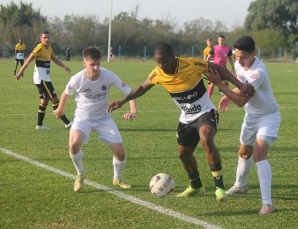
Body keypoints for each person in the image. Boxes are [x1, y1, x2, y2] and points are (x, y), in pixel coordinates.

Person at [106, 42, 255, 202]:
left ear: (173, 57)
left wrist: (240, 85)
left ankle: (219, 188)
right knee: (184, 155)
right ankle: (196, 186)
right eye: (158, 62)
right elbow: (142, 87)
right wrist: (122, 101)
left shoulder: (190, 64)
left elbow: (219, 69)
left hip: (206, 112)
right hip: (186, 118)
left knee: (206, 139)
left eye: (164, 61)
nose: (161, 65)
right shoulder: (158, 73)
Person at [204, 36, 281, 214]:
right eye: (236, 56)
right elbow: (241, 87)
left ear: (253, 53)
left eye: (243, 57)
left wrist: (222, 88)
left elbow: (240, 101)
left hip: (268, 116)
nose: (238, 60)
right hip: (251, 117)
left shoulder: (258, 72)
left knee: (258, 153)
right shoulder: (239, 64)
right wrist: (227, 95)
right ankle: (240, 185)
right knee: (243, 153)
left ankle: (267, 204)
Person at [53, 47, 137, 192]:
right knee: (73, 144)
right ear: (84, 63)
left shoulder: (108, 76)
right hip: (82, 118)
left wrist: (133, 110)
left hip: (103, 117)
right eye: (92, 64)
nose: (96, 67)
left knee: (120, 152)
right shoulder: (77, 79)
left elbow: (130, 92)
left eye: (98, 63)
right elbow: (66, 93)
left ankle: (117, 179)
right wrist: (60, 109)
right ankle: (80, 174)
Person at [14, 31, 72, 130]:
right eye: (44, 38)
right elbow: (28, 61)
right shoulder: (39, 48)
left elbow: (55, 59)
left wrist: (64, 66)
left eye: (48, 37)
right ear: (41, 39)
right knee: (54, 99)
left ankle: (39, 125)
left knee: (44, 101)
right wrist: (19, 73)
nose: (47, 39)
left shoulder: (49, 48)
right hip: (42, 79)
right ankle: (67, 122)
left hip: (45, 78)